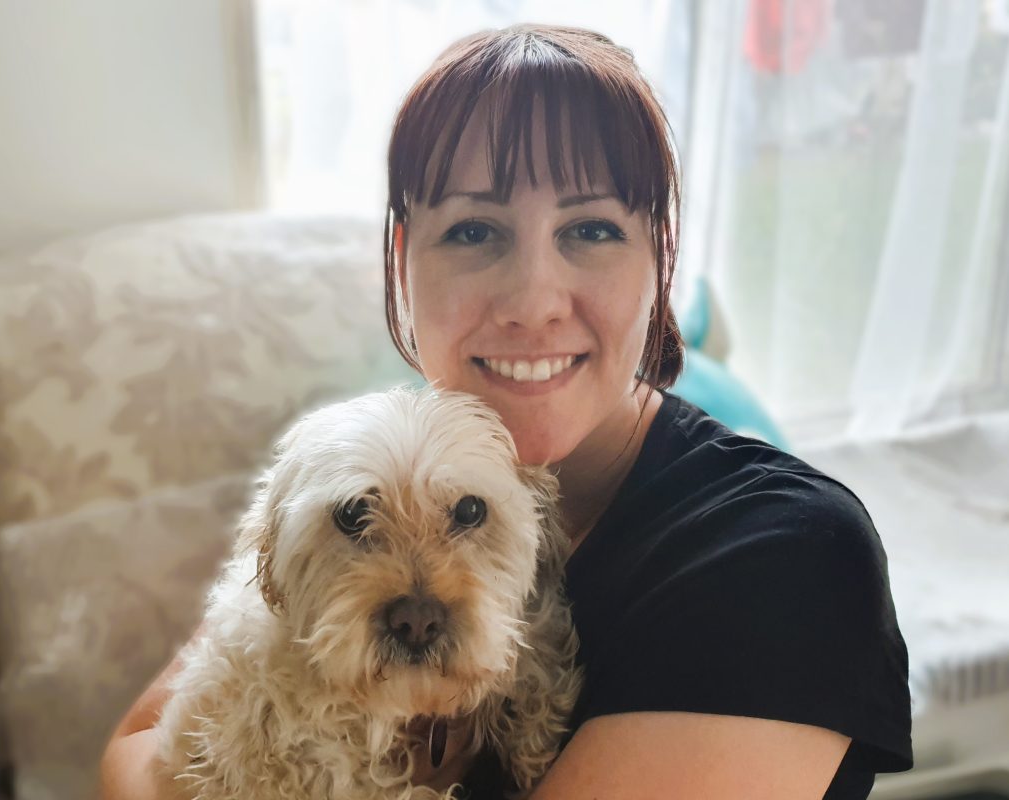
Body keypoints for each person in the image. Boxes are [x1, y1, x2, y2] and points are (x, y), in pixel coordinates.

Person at [99, 23, 912, 800]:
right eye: (474, 231)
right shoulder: (364, 471)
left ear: (663, 261)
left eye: (591, 228)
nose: (532, 301)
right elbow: (131, 755)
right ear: (401, 262)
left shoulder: (787, 558)